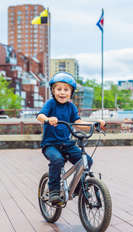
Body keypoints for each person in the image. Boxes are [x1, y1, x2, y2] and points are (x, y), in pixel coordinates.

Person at [37, 72, 105, 204]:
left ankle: (78, 188)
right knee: (57, 160)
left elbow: (78, 123)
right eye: (59, 89)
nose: (62, 92)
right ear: (53, 90)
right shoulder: (51, 104)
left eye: (66, 90)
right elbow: (40, 116)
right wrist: (48, 119)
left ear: (71, 92)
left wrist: (94, 125)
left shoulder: (71, 107)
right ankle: (54, 192)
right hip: (50, 145)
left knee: (87, 161)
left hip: (66, 144)